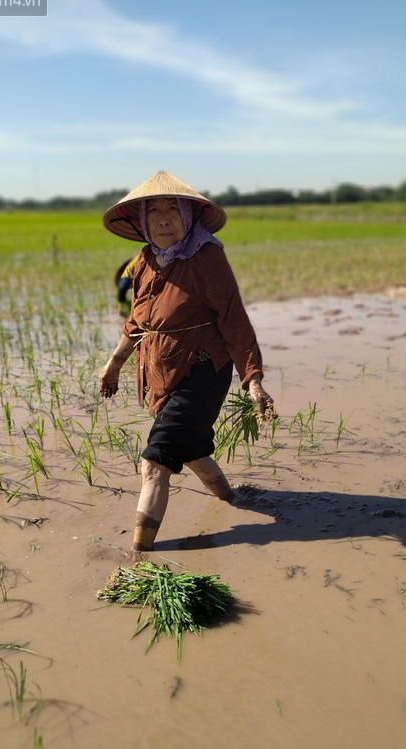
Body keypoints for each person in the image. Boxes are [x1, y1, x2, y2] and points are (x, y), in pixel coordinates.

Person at [98, 170, 275, 552]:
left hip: (202, 370)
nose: (163, 219)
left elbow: (234, 318)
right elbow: (137, 322)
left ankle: (140, 558)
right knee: (191, 448)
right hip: (161, 370)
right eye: (154, 211)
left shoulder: (207, 256)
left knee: (155, 460)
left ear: (189, 216)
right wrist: (114, 365)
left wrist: (253, 379)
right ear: (141, 221)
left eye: (172, 210)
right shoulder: (145, 260)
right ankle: (232, 500)